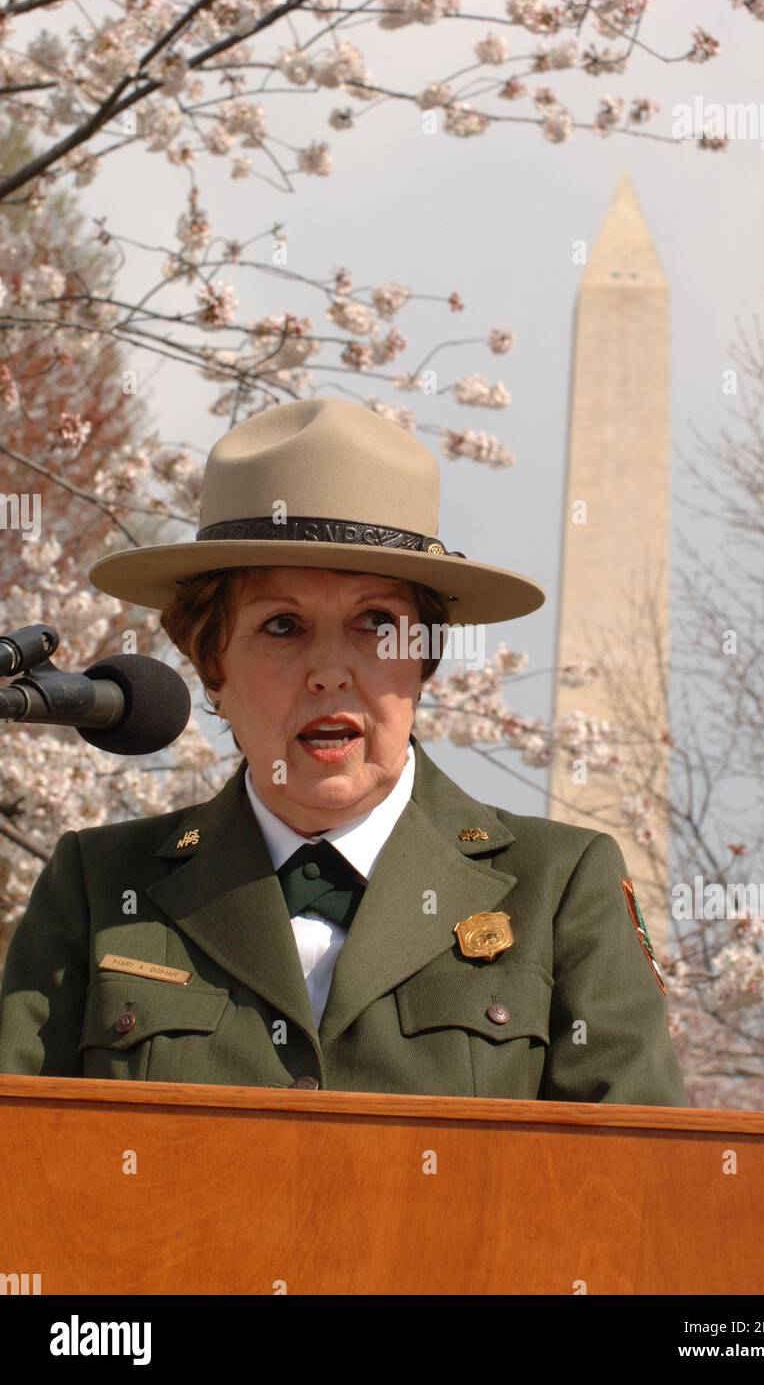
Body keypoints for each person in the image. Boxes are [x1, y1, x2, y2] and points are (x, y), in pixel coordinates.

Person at [0, 397, 686, 1104]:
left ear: (422, 661)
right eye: (282, 625)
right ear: (212, 663)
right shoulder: (97, 887)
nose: (330, 670)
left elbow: (639, 1193)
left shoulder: (556, 890)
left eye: (374, 624)